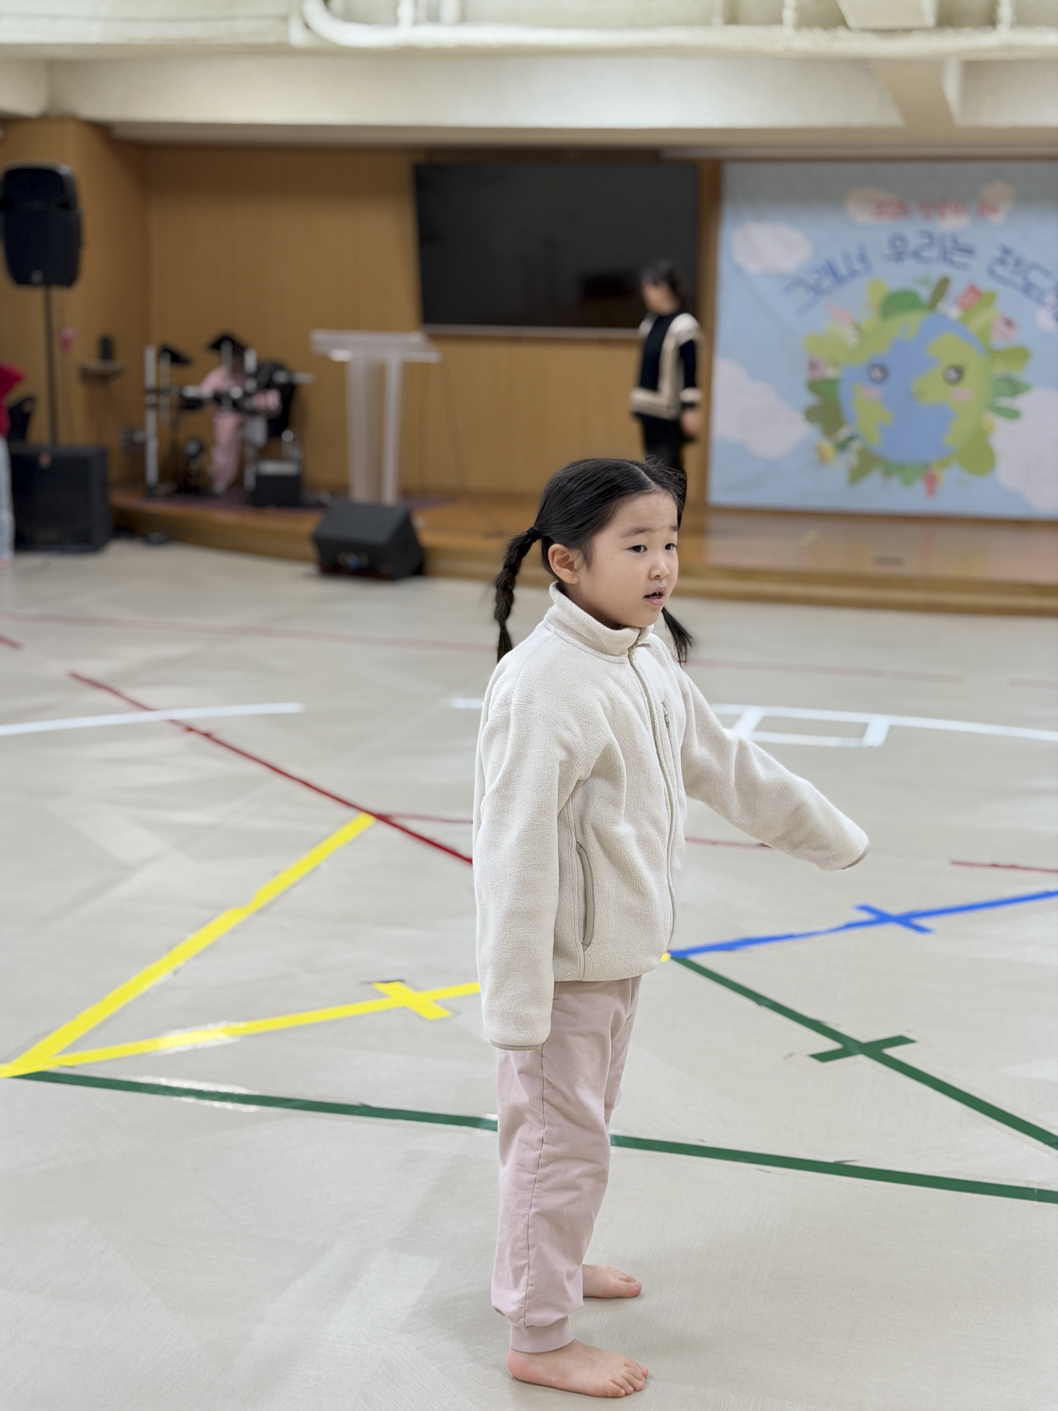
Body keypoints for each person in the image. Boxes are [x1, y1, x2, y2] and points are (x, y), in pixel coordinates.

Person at [475, 458, 868, 1398]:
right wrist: (518, 1006)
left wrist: (828, 835)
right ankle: (539, 1333)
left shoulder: (645, 654)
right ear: (567, 561)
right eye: (637, 546)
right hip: (561, 975)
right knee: (558, 1147)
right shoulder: (543, 685)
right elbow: (512, 852)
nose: (662, 566)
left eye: (671, 542)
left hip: (617, 956)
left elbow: (724, 762)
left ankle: (550, 1267)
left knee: (577, 1136)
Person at [630, 261, 702, 473]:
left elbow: (691, 370)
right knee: (652, 466)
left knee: (669, 467)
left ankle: (674, 497)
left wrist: (690, 408)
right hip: (647, 405)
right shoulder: (650, 321)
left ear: (663, 288)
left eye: (648, 287)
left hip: (668, 410)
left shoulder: (684, 325)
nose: (645, 293)